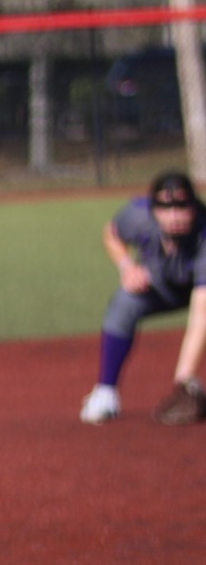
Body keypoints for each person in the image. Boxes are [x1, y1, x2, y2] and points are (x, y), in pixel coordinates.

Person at [80, 170, 206, 425]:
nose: (174, 216)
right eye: (166, 208)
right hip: (161, 286)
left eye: (182, 207)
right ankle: (105, 392)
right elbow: (111, 233)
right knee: (124, 302)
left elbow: (201, 315)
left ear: (194, 207)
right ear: (152, 209)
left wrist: (183, 379)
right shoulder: (136, 214)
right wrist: (127, 266)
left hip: (199, 291)